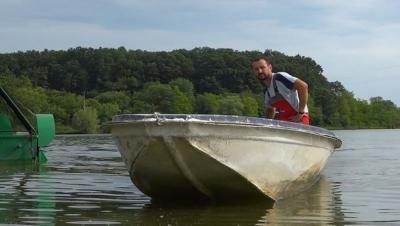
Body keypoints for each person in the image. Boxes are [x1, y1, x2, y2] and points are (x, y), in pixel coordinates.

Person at [252, 56, 310, 125]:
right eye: (256, 69)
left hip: (298, 119)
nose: (260, 71)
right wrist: (265, 125)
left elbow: (303, 86)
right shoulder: (266, 92)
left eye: (262, 67)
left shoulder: (279, 77)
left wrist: (301, 112)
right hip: (284, 122)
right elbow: (270, 110)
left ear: (270, 67)